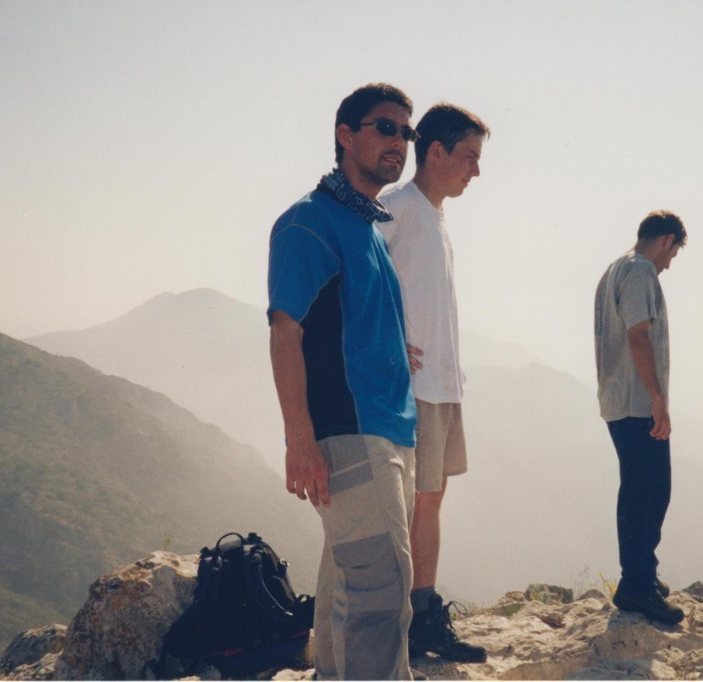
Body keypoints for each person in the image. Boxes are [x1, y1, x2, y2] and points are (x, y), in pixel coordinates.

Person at [267, 83, 420, 680]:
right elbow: (286, 333)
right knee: (383, 593)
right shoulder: (309, 222)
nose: (398, 142)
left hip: (388, 429)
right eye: (386, 127)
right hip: (352, 432)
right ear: (345, 135)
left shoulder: (367, 228)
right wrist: (298, 440)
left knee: (347, 593)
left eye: (406, 132)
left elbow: (348, 321)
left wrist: (390, 347)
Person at [377, 103, 490, 663]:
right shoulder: (396, 208)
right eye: (469, 156)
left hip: (445, 383)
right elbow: (360, 286)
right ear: (437, 151)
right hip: (416, 384)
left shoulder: (435, 216)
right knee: (409, 504)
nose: (476, 170)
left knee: (431, 501)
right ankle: (401, 622)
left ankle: (421, 615)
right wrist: (391, 345)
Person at [594, 210, 688, 625]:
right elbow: (638, 334)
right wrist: (657, 398)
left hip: (619, 400)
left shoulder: (616, 269)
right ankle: (636, 585)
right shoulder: (641, 273)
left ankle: (641, 574)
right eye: (673, 254)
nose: (669, 265)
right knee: (648, 492)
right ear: (667, 240)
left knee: (641, 488)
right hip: (636, 401)